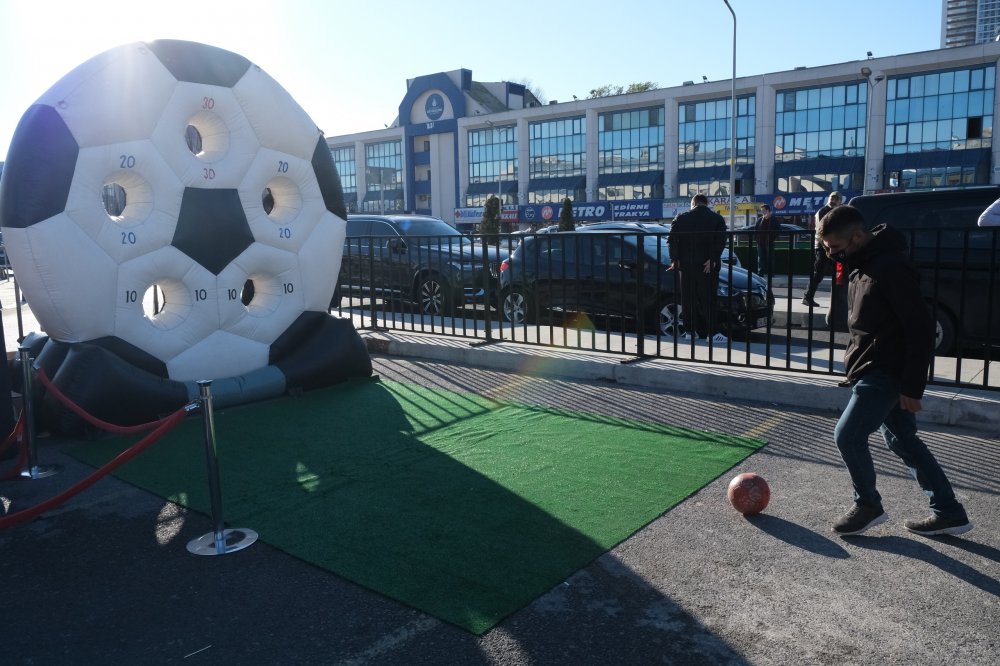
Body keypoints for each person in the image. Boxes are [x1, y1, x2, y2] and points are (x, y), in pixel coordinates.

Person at [817, 205, 972, 537]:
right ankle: (949, 512)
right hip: (872, 366)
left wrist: (913, 386)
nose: (831, 254)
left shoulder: (890, 267)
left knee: (848, 436)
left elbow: (919, 328)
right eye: (827, 248)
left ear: (858, 236)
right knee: (903, 440)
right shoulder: (862, 263)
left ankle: (868, 505)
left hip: (885, 370)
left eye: (834, 247)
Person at [667, 194, 728, 344]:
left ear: (693, 203)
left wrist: (675, 260)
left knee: (687, 299)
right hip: (707, 265)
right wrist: (713, 258)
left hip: (686, 265)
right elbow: (721, 240)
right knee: (708, 299)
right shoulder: (716, 219)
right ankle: (712, 333)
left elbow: (672, 239)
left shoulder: (681, 218)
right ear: (706, 203)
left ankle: (690, 332)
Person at [803, 191, 842, 307]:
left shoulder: (837, 212)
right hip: (823, 246)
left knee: (835, 274)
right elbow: (821, 231)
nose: (833, 200)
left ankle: (836, 299)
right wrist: (826, 247)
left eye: (836, 199)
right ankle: (807, 296)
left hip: (832, 246)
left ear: (840, 201)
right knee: (819, 273)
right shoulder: (823, 211)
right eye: (832, 198)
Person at [755, 204, 778, 276]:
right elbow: (756, 230)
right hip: (760, 242)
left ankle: (771, 273)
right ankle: (760, 272)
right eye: (761, 210)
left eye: (763, 210)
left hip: (769, 242)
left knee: (770, 257)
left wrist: (772, 238)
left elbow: (778, 229)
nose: (762, 212)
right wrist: (757, 239)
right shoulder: (760, 219)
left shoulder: (773, 219)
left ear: (768, 210)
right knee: (760, 258)